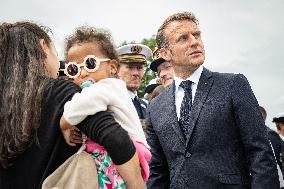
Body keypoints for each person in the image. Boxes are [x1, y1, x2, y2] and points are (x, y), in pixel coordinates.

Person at [0, 22, 142, 189]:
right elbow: (115, 138)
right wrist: (138, 185)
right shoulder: (60, 92)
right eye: (73, 68)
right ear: (43, 47)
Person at [146, 12, 279, 188]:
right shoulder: (155, 107)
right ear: (165, 53)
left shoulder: (233, 85)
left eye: (197, 35)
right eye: (183, 38)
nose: (194, 42)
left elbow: (261, 154)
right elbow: (158, 170)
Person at [59, 26, 150, 188]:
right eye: (73, 69)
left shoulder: (110, 86)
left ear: (113, 67)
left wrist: (64, 123)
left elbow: (78, 107)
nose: (83, 73)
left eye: (90, 63)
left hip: (125, 157)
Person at [117, 44, 152, 120]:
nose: (136, 73)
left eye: (139, 68)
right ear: (117, 70)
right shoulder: (110, 103)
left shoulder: (146, 105)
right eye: (130, 67)